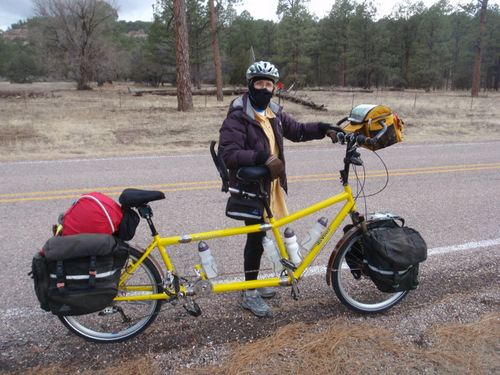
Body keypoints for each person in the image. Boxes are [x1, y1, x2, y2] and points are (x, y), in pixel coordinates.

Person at [219, 61, 340, 317]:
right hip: (251, 188)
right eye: (259, 83)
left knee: (263, 236)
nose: (264, 88)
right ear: (250, 85)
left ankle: (253, 285)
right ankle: (250, 293)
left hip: (269, 186)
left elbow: (297, 131)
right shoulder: (239, 116)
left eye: (269, 84)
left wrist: (323, 128)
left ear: (275, 87)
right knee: (256, 238)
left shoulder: (274, 113)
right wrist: (263, 157)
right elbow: (229, 154)